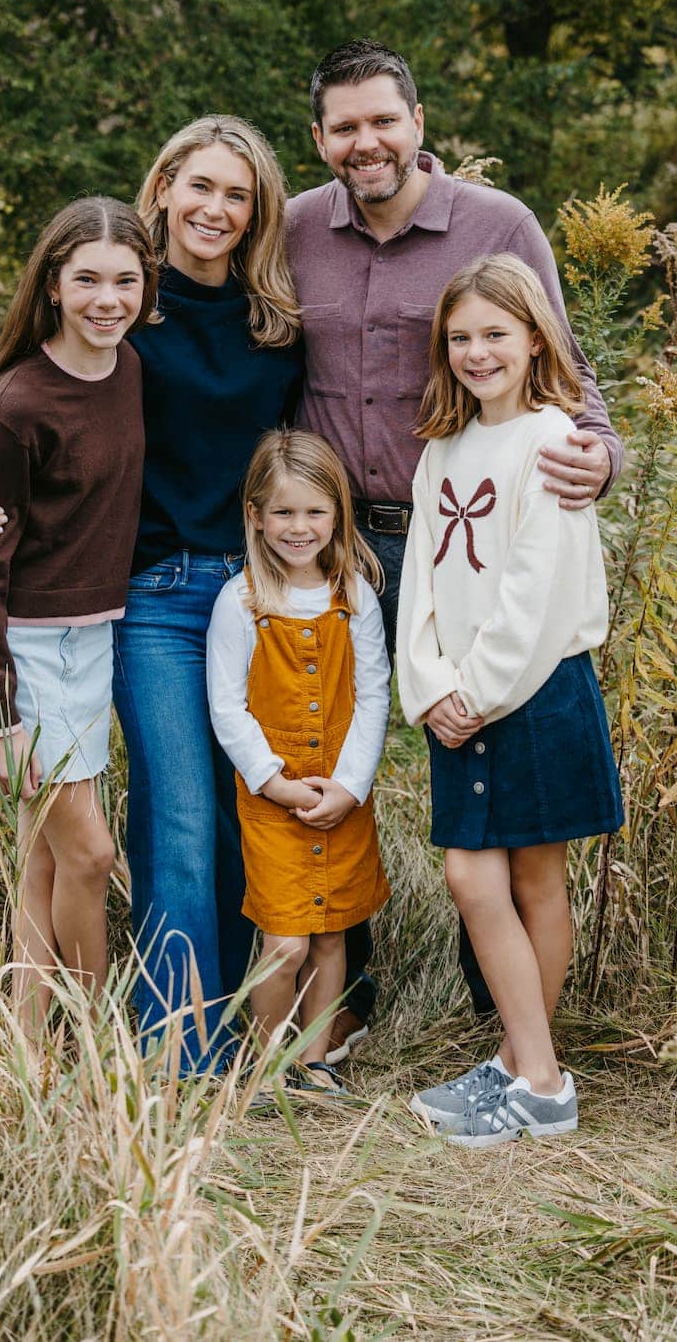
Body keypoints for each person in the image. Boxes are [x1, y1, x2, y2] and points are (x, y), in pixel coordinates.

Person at [0, 117, 302, 1072]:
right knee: (174, 819)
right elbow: (28, 410)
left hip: (252, 594)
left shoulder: (276, 322)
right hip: (145, 596)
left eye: (238, 193)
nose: (216, 209)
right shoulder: (127, 303)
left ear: (259, 208)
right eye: (200, 187)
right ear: (164, 189)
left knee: (241, 816)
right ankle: (174, 1053)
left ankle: (242, 1027)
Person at [286, 39, 625, 1047]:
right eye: (343, 127)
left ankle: (508, 1038)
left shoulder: (497, 225)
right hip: (339, 552)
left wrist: (599, 456)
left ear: (418, 121)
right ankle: (341, 1010)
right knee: (321, 772)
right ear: (319, 140)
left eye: (382, 120)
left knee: (497, 797)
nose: (365, 142)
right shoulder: (295, 228)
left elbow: (563, 372)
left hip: (467, 555)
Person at [397, 254, 624, 1146]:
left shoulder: (555, 442)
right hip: (461, 696)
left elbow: (539, 591)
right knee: (473, 874)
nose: (477, 352)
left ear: (536, 339)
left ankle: (533, 1079)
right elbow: (418, 576)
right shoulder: (443, 451)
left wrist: (479, 692)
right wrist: (431, 688)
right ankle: (529, 1070)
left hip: (533, 691)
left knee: (530, 878)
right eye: (460, 338)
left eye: (495, 334)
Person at [0, 197, 158, 1040]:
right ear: (54, 287)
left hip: (91, 638)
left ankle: (29, 1050)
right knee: (93, 855)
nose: (109, 299)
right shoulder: (17, 404)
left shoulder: (131, 367)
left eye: (126, 280)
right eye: (88, 280)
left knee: (45, 861)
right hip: (17, 653)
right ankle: (102, 1046)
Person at [206, 430, 390, 1091]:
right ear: (255, 515)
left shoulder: (355, 598)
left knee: (333, 935)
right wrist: (276, 785)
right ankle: (268, 1064)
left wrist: (348, 786)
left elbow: (374, 698)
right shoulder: (243, 601)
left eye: (314, 511)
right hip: (274, 804)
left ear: (337, 514)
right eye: (282, 512)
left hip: (340, 799)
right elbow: (228, 708)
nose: (299, 527)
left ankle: (315, 1064)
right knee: (284, 941)